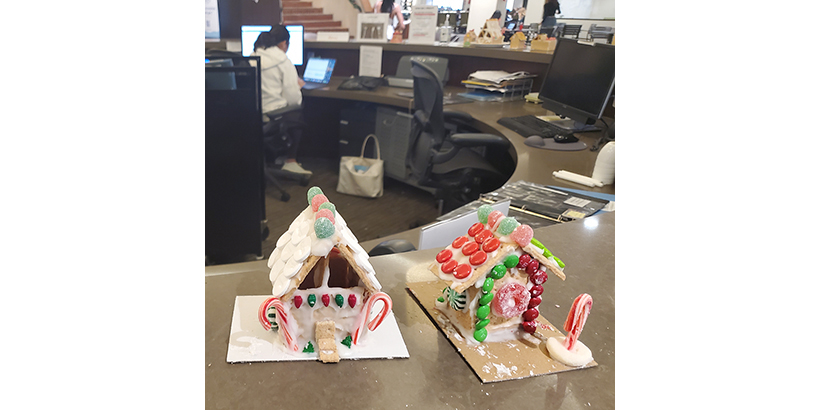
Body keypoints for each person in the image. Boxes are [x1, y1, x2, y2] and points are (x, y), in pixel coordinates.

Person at [251, 26, 312, 176]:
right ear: (284, 43)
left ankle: (275, 156)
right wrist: (297, 86)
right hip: (271, 115)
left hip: (252, 115)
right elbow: (293, 99)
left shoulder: (252, 57)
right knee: (298, 111)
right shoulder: (282, 60)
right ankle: (290, 161)